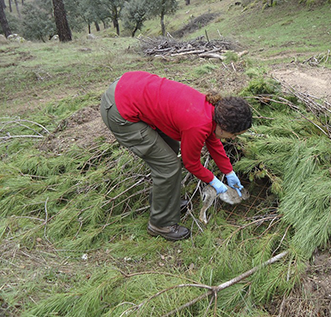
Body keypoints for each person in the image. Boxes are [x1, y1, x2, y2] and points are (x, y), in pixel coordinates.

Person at [100, 71, 252, 241]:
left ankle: (165, 204)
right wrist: (214, 182)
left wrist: (229, 173)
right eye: (235, 134)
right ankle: (160, 223)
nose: (233, 138)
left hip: (129, 88)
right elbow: (191, 163)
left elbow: (213, 140)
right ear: (224, 127)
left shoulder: (211, 111)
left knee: (170, 149)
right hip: (119, 109)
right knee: (168, 166)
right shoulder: (198, 123)